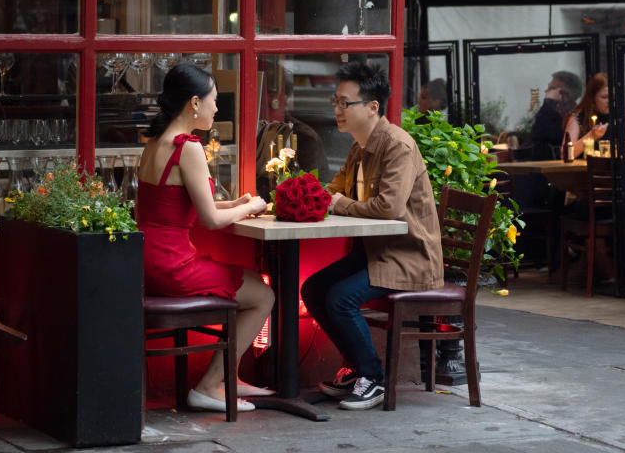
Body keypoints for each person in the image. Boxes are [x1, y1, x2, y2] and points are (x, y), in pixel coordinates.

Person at [300, 61, 443, 411]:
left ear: (373, 107)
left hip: (408, 255)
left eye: (344, 103)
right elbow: (332, 191)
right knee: (313, 289)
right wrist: (305, 196)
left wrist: (338, 203)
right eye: (335, 102)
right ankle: (358, 369)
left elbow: (389, 208)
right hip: (377, 251)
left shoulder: (398, 146)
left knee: (339, 298)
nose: (337, 109)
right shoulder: (359, 147)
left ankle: (372, 377)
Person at [136, 63, 274, 413]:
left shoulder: (155, 141)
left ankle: (229, 376)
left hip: (146, 259)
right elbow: (211, 220)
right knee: (263, 295)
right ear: (194, 103)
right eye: (213, 100)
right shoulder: (189, 146)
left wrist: (237, 203)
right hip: (172, 264)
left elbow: (181, 204)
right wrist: (252, 205)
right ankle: (210, 385)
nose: (217, 108)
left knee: (253, 281)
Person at [530, 70, 583, 160]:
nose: (546, 91)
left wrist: (548, 102)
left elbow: (540, 135)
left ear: (565, 95)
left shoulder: (572, 115)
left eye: (551, 89)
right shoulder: (553, 110)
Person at [562, 72, 610, 158]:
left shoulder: (617, 119)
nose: (609, 101)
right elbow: (565, 154)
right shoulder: (578, 118)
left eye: (613, 97)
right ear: (592, 98)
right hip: (581, 170)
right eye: (604, 97)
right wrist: (591, 136)